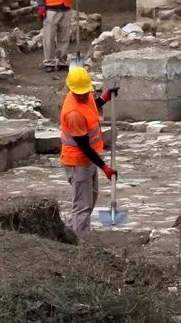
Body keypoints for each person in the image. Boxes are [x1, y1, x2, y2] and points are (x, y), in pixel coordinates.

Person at [59, 65, 118, 236]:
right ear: (72, 90)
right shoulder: (73, 113)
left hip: (89, 160)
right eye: (81, 93)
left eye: (86, 91)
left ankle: (71, 232)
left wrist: (104, 99)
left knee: (90, 199)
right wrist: (104, 167)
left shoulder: (85, 93)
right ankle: (81, 244)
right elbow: (84, 147)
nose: (85, 95)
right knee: (82, 206)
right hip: (78, 162)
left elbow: (91, 107)